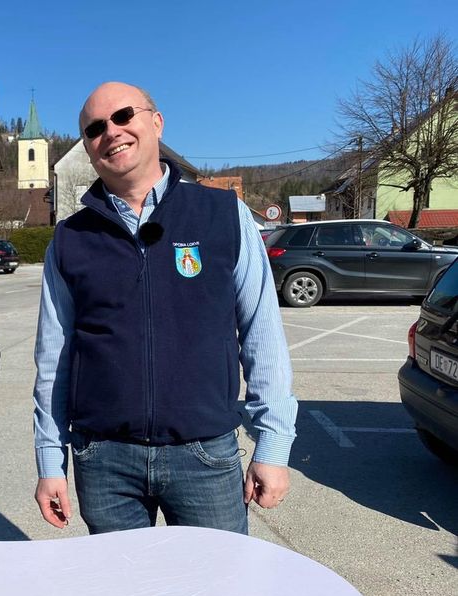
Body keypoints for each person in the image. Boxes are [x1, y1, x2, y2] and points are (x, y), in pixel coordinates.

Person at [33, 82, 297, 536]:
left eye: (123, 116)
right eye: (94, 128)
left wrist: (272, 445)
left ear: (156, 122)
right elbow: (53, 358)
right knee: (122, 577)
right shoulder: (70, 239)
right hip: (104, 460)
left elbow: (262, 333)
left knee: (217, 575)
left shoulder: (223, 214)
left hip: (204, 454)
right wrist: (49, 460)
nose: (110, 132)